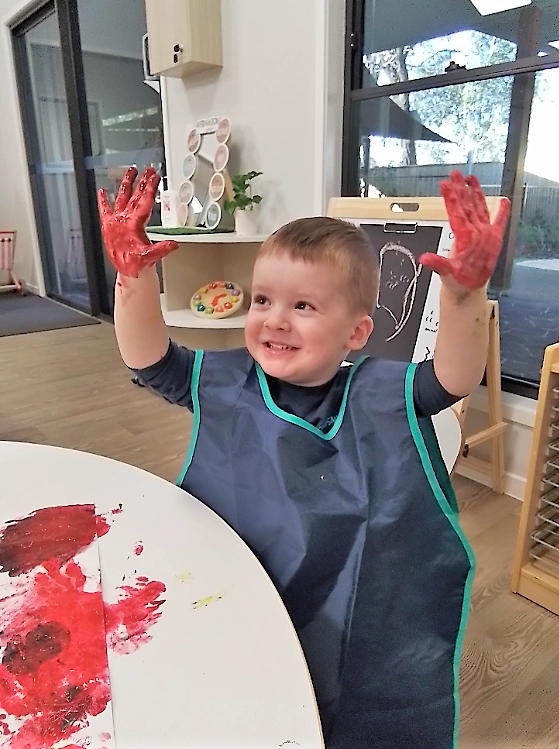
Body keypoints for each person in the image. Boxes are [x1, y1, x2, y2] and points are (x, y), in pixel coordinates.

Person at [98, 167, 510, 749]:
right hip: (236, 599)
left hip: (356, 624)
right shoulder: (225, 381)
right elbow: (149, 360)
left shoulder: (387, 395)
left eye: (304, 306)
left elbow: (455, 377)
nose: (275, 318)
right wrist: (134, 279)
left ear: (357, 332)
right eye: (262, 299)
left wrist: (464, 295)